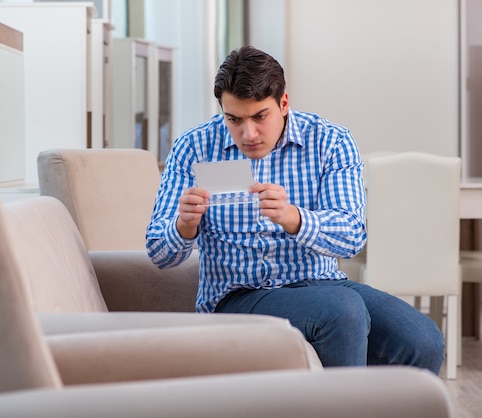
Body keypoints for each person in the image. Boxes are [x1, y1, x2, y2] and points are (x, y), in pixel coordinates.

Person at [145, 45, 444, 373]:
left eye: (260, 117)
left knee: (422, 340)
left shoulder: (330, 141)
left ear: (283, 103)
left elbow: (351, 236)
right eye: (234, 119)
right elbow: (159, 253)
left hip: (323, 283)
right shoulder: (194, 147)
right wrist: (183, 226)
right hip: (239, 297)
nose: (249, 134)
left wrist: (294, 218)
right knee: (342, 311)